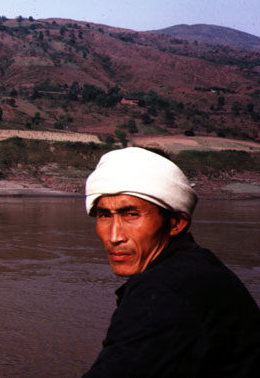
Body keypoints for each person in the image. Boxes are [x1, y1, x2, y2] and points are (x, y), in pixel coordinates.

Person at [81, 147, 260, 378]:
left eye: (131, 215)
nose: (114, 236)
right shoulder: (197, 268)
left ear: (175, 223)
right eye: (104, 215)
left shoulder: (163, 292)